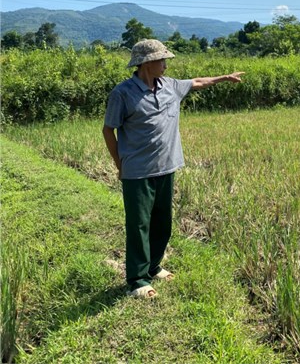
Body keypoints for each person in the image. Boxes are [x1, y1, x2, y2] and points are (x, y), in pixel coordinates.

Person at [102, 39, 244, 299]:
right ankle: (137, 280)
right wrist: (119, 165)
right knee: (139, 225)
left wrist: (225, 77)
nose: (166, 64)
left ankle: (153, 267)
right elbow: (108, 130)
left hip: (167, 167)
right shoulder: (122, 93)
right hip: (137, 172)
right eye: (162, 60)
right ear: (147, 63)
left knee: (162, 223)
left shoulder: (170, 86)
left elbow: (198, 82)